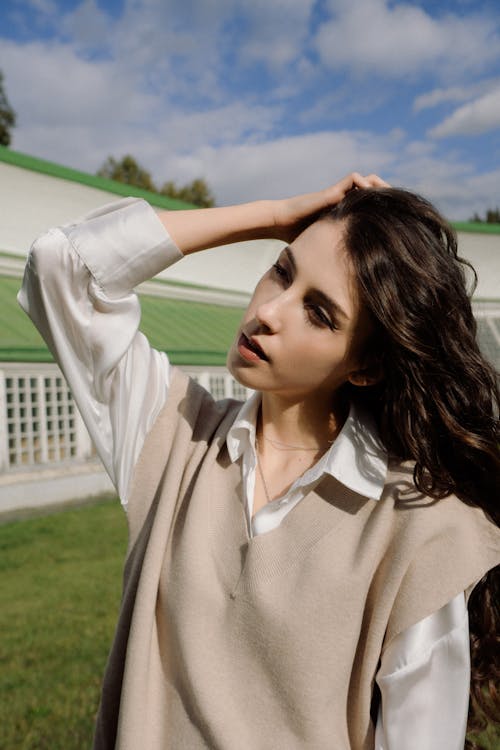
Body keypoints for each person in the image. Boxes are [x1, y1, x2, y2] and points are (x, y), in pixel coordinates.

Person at [19, 173, 500, 750]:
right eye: (282, 270)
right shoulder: (174, 436)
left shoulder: (422, 527)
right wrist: (270, 215)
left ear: (366, 368)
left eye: (319, 313)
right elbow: (62, 267)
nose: (271, 310)